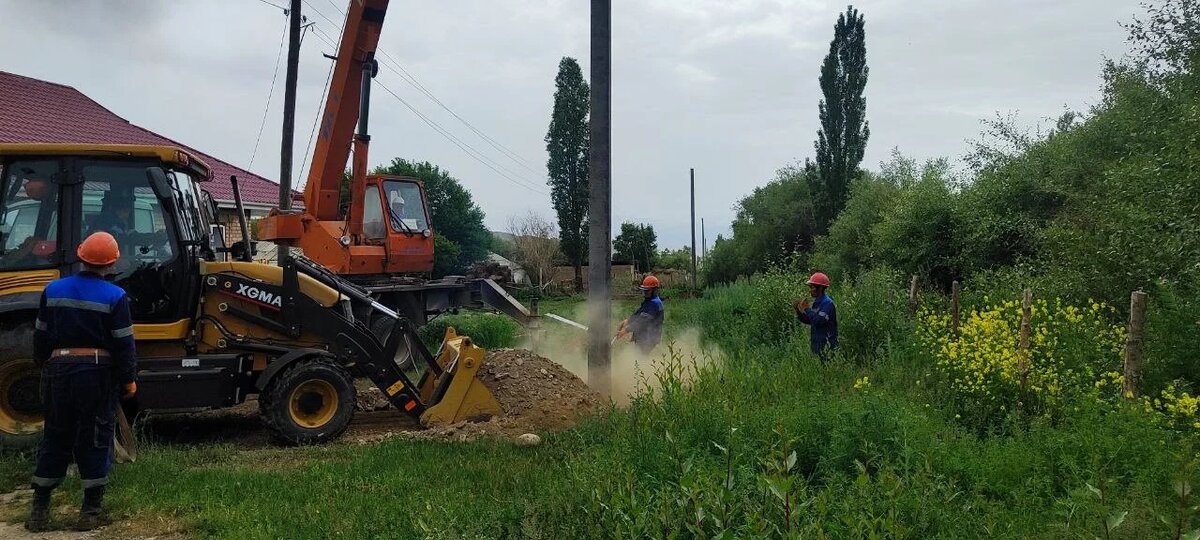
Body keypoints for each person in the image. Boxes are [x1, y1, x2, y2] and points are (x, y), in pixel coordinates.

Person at [26, 232, 137, 532]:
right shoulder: (115, 296)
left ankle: (39, 512)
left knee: (55, 435)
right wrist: (128, 379)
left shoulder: (53, 289)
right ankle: (90, 512)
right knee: (95, 436)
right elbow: (124, 344)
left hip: (58, 370)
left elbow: (41, 335)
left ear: (80, 255)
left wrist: (45, 365)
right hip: (95, 373)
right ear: (112, 263)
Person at [793, 271, 838, 362]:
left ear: (820, 288)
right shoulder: (816, 303)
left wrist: (807, 309)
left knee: (827, 369)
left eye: (812, 287)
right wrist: (798, 310)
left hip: (827, 346)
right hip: (817, 345)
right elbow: (810, 321)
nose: (810, 290)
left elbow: (818, 321)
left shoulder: (828, 303)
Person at [618, 275, 665, 354]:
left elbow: (642, 321)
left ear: (654, 290)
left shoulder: (655, 303)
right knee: (637, 356)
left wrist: (626, 330)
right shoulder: (649, 301)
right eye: (644, 290)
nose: (645, 293)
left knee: (641, 358)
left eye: (647, 290)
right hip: (644, 336)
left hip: (649, 338)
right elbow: (639, 313)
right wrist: (628, 321)